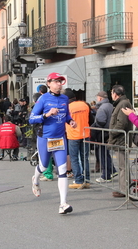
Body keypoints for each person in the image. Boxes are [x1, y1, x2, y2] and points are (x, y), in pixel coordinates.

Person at [29, 72, 77, 214]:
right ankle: (35, 179)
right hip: (45, 138)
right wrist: (47, 114)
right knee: (43, 166)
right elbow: (31, 118)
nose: (59, 84)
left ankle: (63, 204)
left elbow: (67, 115)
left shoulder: (64, 98)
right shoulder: (43, 99)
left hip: (60, 138)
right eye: (56, 81)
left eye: (60, 81)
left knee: (62, 170)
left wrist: (71, 121)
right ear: (49, 83)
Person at [108, 85, 133, 197]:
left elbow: (121, 123)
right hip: (120, 139)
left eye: (112, 93)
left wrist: (112, 132)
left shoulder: (122, 104)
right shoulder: (121, 103)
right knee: (122, 166)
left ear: (115, 94)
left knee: (123, 166)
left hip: (121, 139)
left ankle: (124, 189)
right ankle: (123, 188)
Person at [64, 89, 91, 189]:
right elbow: (91, 119)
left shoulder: (67, 107)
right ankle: (87, 180)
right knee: (85, 158)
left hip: (73, 136)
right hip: (86, 134)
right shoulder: (84, 105)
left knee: (74, 158)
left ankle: (79, 180)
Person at [91, 91, 117, 183]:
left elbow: (101, 121)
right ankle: (112, 170)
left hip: (102, 132)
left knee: (102, 154)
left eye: (97, 97)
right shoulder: (110, 105)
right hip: (108, 131)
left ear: (100, 98)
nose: (97, 99)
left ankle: (106, 175)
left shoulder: (102, 108)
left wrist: (94, 125)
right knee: (106, 153)